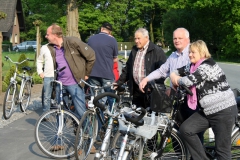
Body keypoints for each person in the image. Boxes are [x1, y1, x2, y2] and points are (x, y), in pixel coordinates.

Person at [170, 40, 238, 160]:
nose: (190, 55)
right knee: (186, 129)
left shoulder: (207, 66)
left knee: (222, 152)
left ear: (202, 52)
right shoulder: (192, 66)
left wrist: (176, 79)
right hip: (208, 111)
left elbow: (187, 81)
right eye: (189, 52)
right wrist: (173, 75)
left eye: (193, 52)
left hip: (223, 111)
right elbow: (176, 71)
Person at [45, 23, 95, 120]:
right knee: (60, 111)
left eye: (48, 34)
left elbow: (91, 56)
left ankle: (87, 132)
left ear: (55, 35)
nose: (46, 36)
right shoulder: (50, 47)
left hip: (74, 83)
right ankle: (59, 133)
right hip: (60, 84)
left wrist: (86, 74)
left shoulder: (72, 42)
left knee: (81, 111)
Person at [115, 27, 167, 108]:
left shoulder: (157, 51)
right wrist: (119, 82)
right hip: (136, 90)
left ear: (146, 38)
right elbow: (128, 69)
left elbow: (163, 71)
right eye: (135, 39)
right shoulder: (134, 50)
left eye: (139, 38)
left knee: (150, 118)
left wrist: (153, 86)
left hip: (151, 92)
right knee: (136, 116)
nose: (136, 41)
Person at [87, 22, 118, 108]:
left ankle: (98, 119)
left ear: (101, 29)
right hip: (106, 73)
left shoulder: (91, 39)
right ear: (110, 32)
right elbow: (115, 59)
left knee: (96, 99)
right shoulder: (112, 40)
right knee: (111, 97)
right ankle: (111, 119)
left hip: (92, 73)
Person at [37, 44, 54, 114]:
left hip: (59, 75)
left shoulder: (60, 46)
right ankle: (46, 114)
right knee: (46, 96)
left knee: (61, 96)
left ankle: (62, 115)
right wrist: (40, 71)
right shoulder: (44, 48)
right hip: (48, 75)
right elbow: (39, 60)